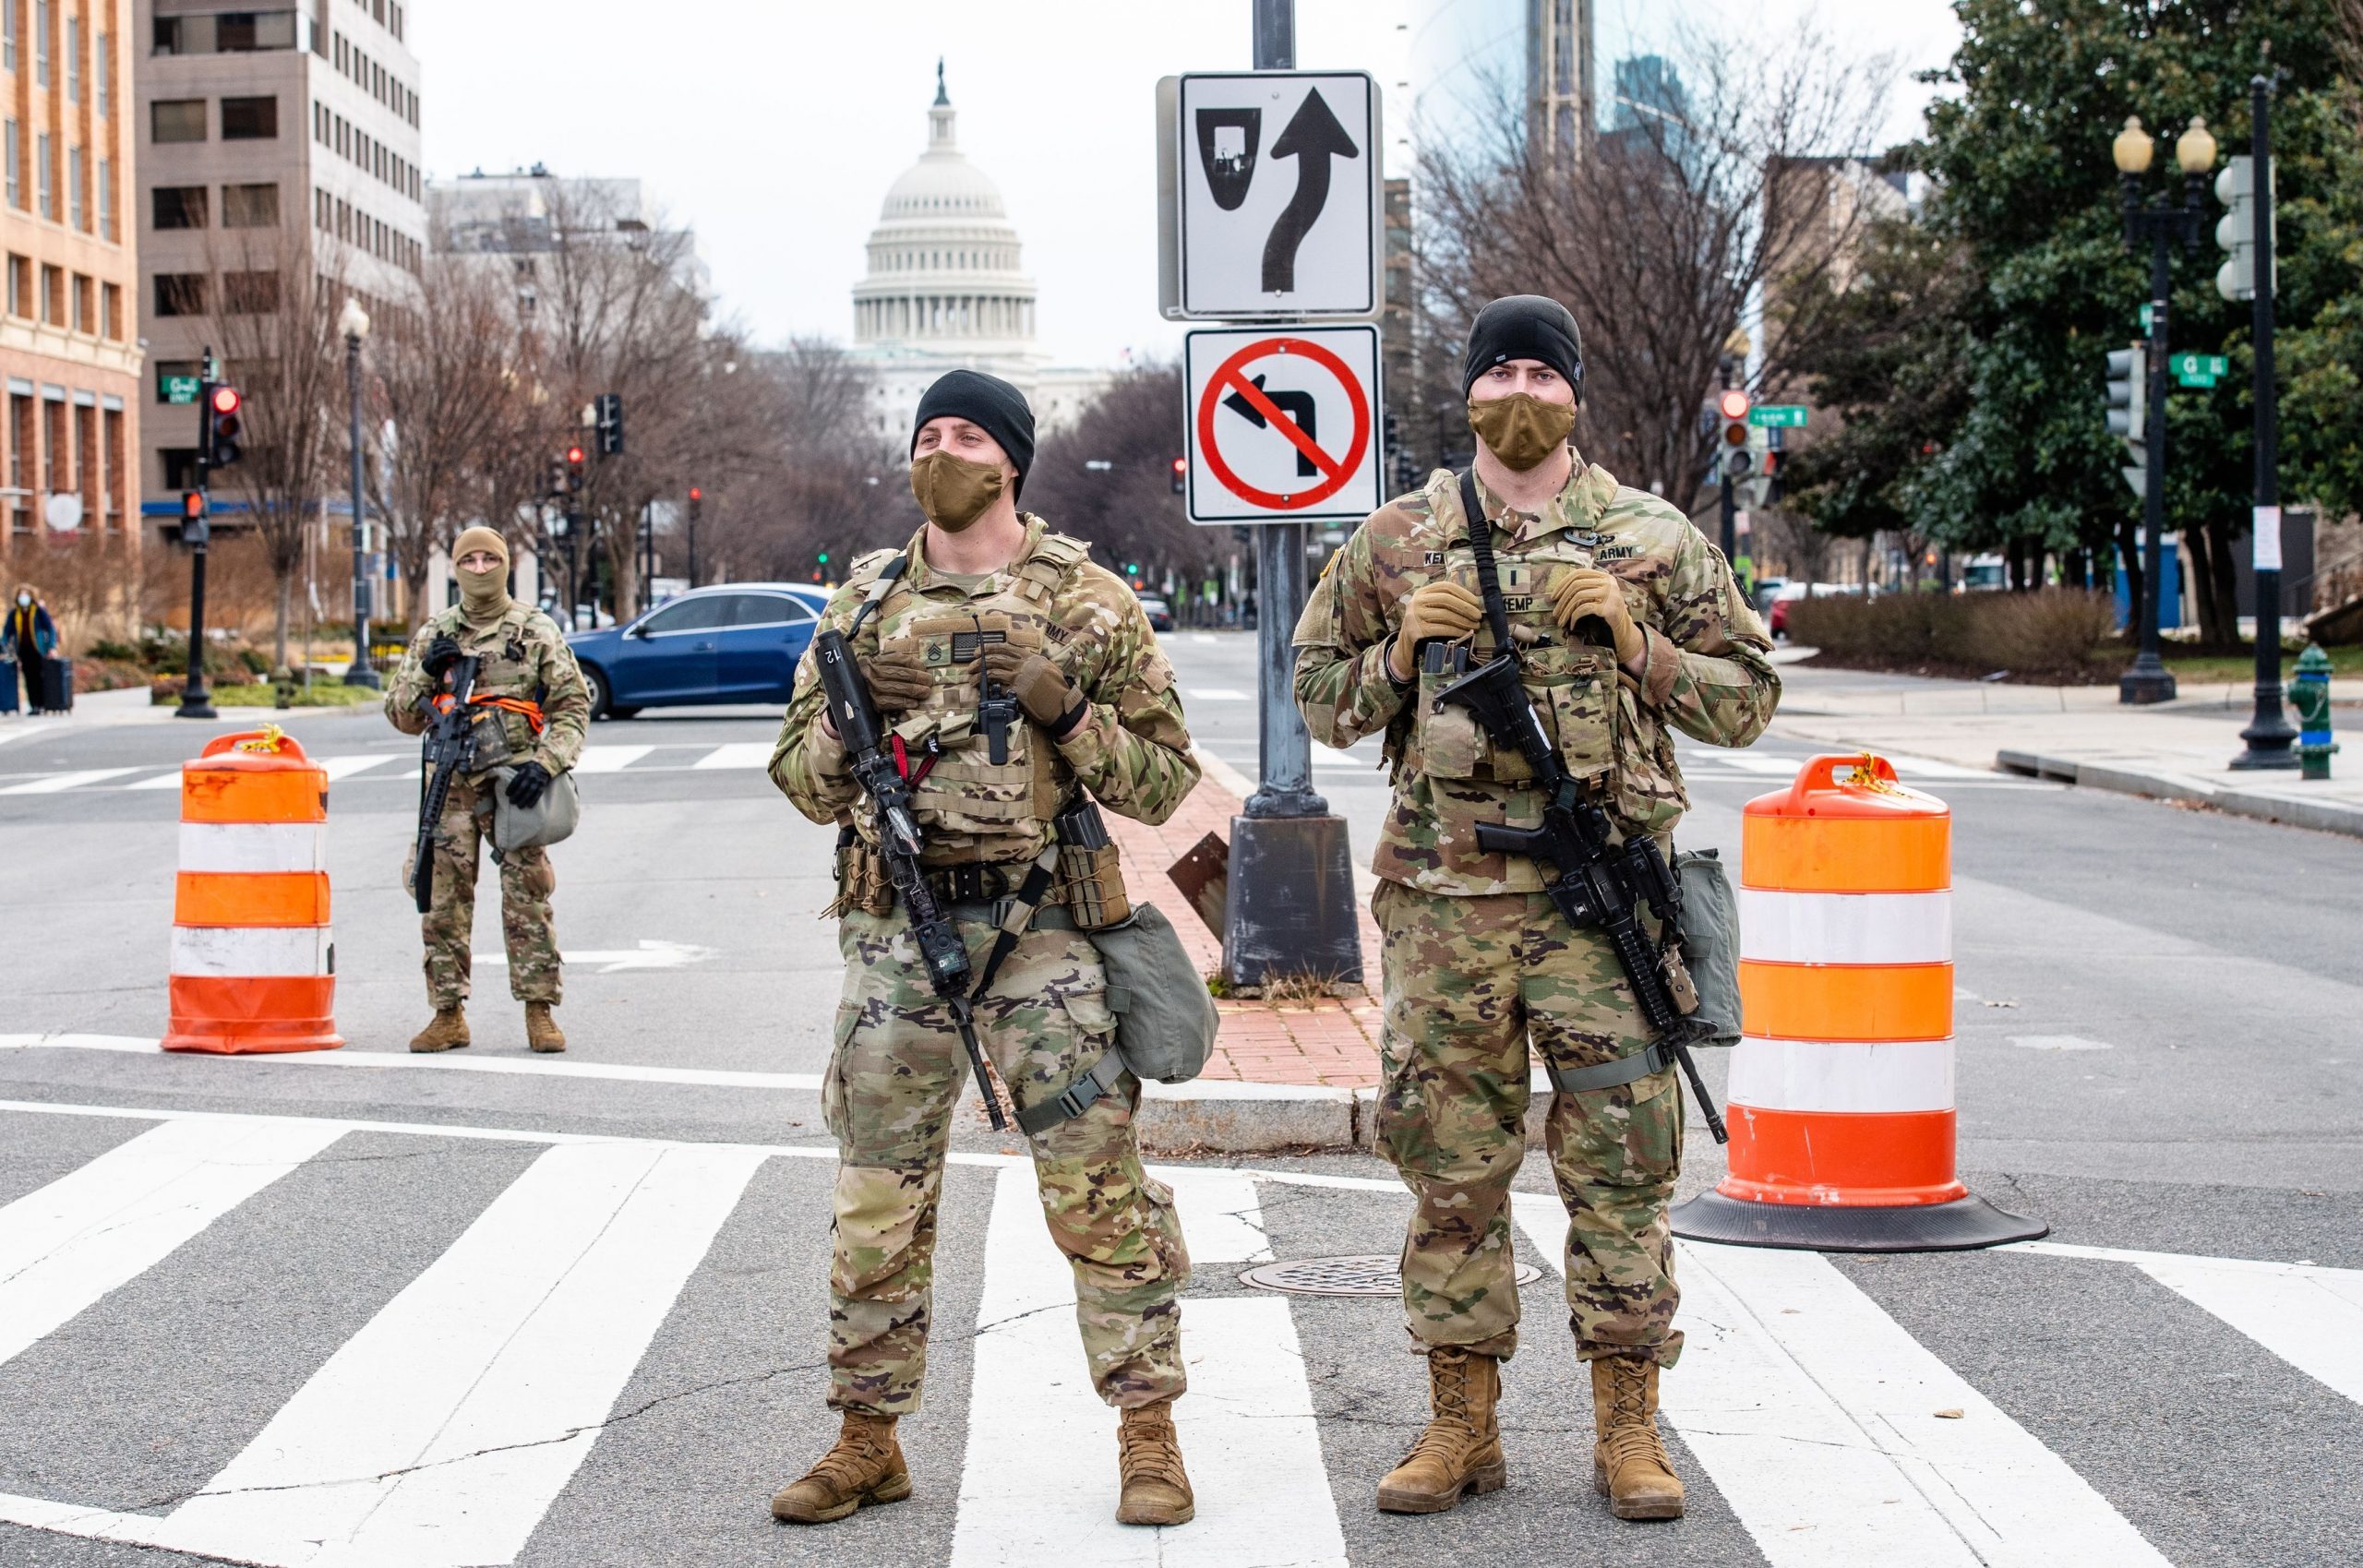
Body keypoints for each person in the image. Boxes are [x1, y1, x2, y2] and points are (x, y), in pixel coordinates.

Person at [1292, 295, 1779, 1522]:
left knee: (1621, 1167)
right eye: (1499, 368)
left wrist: (1643, 648)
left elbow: (1747, 700)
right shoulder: (1398, 538)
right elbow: (1318, 698)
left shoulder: (1652, 538)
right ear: (1468, 394)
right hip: (1447, 911)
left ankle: (1629, 1423)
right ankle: (1463, 1419)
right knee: (1451, 1169)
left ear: (1574, 393)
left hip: (1598, 906)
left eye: (1541, 371)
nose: (1521, 389)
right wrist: (1398, 652)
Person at [769, 369, 1202, 1529]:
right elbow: (801, 783)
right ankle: (867, 1437)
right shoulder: (859, 603)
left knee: (1095, 1185)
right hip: (897, 938)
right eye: (927, 433)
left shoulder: (1089, 600)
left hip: (1044, 935)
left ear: (1010, 459)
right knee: (877, 1192)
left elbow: (1164, 784)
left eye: (964, 433)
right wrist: (850, 699)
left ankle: (1148, 1432)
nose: (940, 450)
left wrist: (1065, 709)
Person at [384, 528, 588, 1054]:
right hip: (449, 786)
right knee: (443, 903)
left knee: (529, 899)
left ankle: (539, 1011)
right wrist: (427, 673)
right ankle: (447, 1014)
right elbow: (402, 716)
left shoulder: (534, 629)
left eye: (489, 558)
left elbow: (572, 706)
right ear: (455, 568)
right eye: (468, 559)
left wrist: (545, 765)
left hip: (513, 782)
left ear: (505, 564)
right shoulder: (437, 632)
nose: (479, 568)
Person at [4, 587, 60, 713]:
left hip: (39, 650)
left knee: (40, 677)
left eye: (26, 595)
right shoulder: (15, 614)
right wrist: (3, 645)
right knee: (29, 678)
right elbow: (7, 631)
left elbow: (50, 629)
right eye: (21, 595)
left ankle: (43, 703)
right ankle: (34, 705)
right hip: (24, 651)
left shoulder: (39, 611)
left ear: (31, 597)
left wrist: (52, 647)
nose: (23, 598)